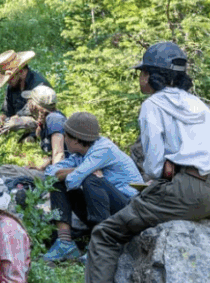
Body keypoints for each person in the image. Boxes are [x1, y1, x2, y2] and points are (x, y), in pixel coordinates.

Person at [80, 42, 210, 283]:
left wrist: (166, 171)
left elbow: (152, 165)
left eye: (142, 72)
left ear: (153, 76)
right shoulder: (198, 104)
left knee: (106, 233)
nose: (139, 78)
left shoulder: (152, 105)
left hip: (191, 192)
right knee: (144, 205)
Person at [41, 112, 144, 262]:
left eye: (66, 136)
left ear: (75, 140)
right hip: (108, 211)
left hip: (126, 210)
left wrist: (77, 173)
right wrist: (77, 170)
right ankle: (64, 243)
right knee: (59, 182)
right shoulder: (80, 154)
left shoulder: (103, 149)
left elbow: (73, 181)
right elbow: (50, 175)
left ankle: (100, 245)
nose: (64, 139)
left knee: (91, 180)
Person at [0, 50, 51, 137]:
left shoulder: (39, 85)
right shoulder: (11, 87)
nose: (7, 82)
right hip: (15, 125)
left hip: (40, 124)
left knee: (14, 124)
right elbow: (7, 112)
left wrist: (15, 119)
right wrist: (1, 119)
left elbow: (39, 114)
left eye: (9, 78)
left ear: (21, 72)